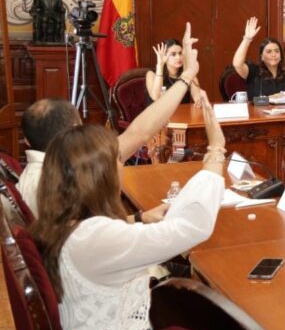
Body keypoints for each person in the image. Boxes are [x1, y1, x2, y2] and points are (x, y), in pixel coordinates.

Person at [31, 25, 226, 330]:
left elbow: (139, 131)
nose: (122, 162)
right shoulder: (99, 236)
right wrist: (216, 149)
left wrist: (187, 75)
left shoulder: (63, 216)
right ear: (100, 179)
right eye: (118, 160)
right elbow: (191, 226)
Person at [18, 24, 208, 216]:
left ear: (26, 140)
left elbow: (140, 132)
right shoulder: (69, 176)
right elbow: (90, 231)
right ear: (74, 130)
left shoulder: (27, 180)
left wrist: (139, 219)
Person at [232, 16, 285, 100]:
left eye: (277, 51)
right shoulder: (253, 71)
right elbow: (237, 64)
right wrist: (247, 39)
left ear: (281, 56)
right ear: (262, 57)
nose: (273, 54)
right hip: (256, 109)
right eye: (269, 52)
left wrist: (282, 95)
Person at [145, 38, 208, 106]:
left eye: (180, 53)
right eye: (173, 54)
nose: (178, 57)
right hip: (159, 112)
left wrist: (200, 99)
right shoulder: (151, 74)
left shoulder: (188, 74)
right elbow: (155, 98)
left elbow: (197, 97)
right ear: (164, 56)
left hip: (182, 112)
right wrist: (160, 66)